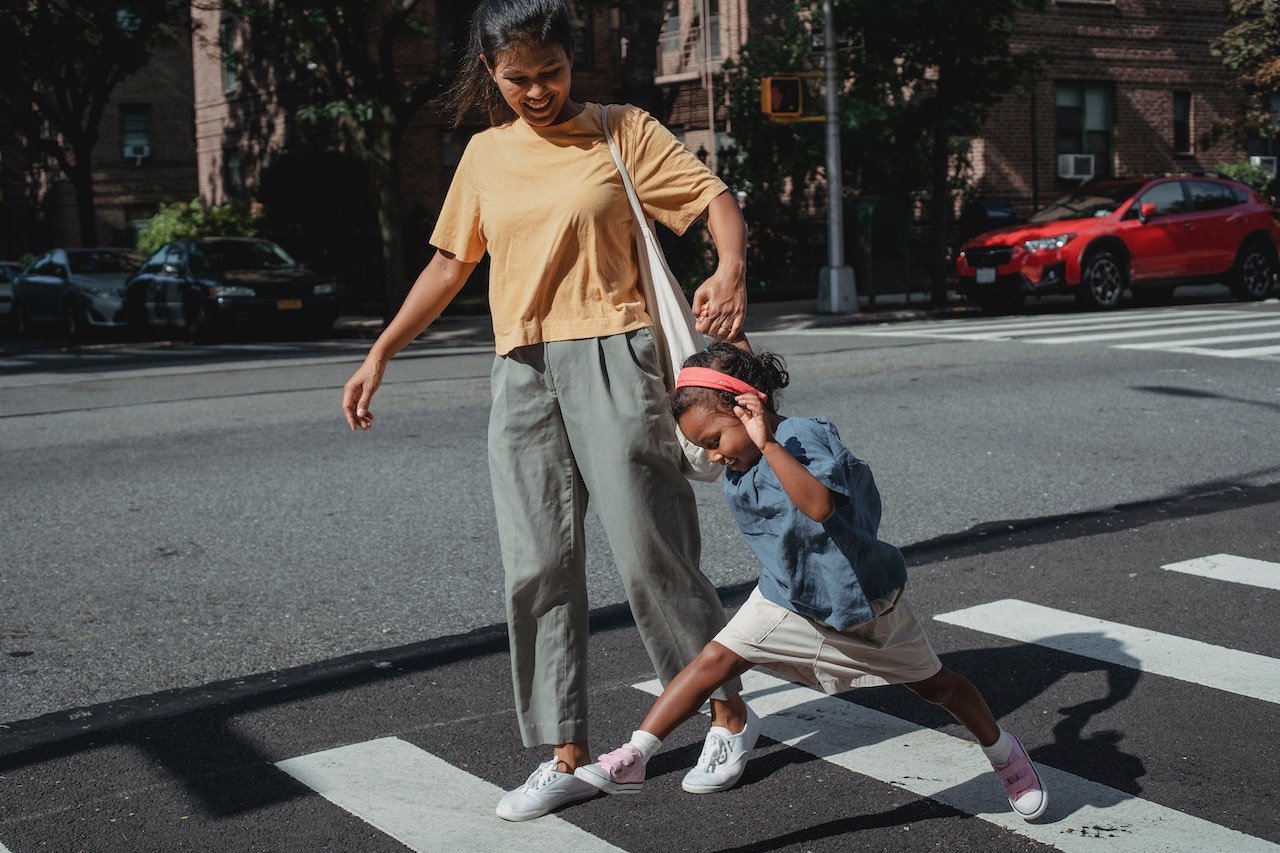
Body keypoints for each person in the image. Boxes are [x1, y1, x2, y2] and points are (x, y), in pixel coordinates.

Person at [340, 0, 757, 823]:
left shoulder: (618, 130)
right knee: (536, 565)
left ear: (573, 60)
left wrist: (731, 264)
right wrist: (381, 350)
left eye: (552, 72)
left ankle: (728, 714)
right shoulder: (484, 155)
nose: (537, 91)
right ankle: (565, 752)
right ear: (490, 72)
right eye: (517, 78)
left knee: (650, 550)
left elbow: (713, 198)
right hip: (520, 369)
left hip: (617, 353)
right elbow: (450, 265)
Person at [572, 343, 1049, 822]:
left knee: (941, 689)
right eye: (703, 447)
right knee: (713, 661)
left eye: (714, 440)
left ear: (748, 411)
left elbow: (819, 506)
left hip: (864, 603)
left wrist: (768, 443)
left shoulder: (801, 436)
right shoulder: (743, 460)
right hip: (789, 599)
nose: (713, 456)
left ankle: (1004, 754)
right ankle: (633, 757)